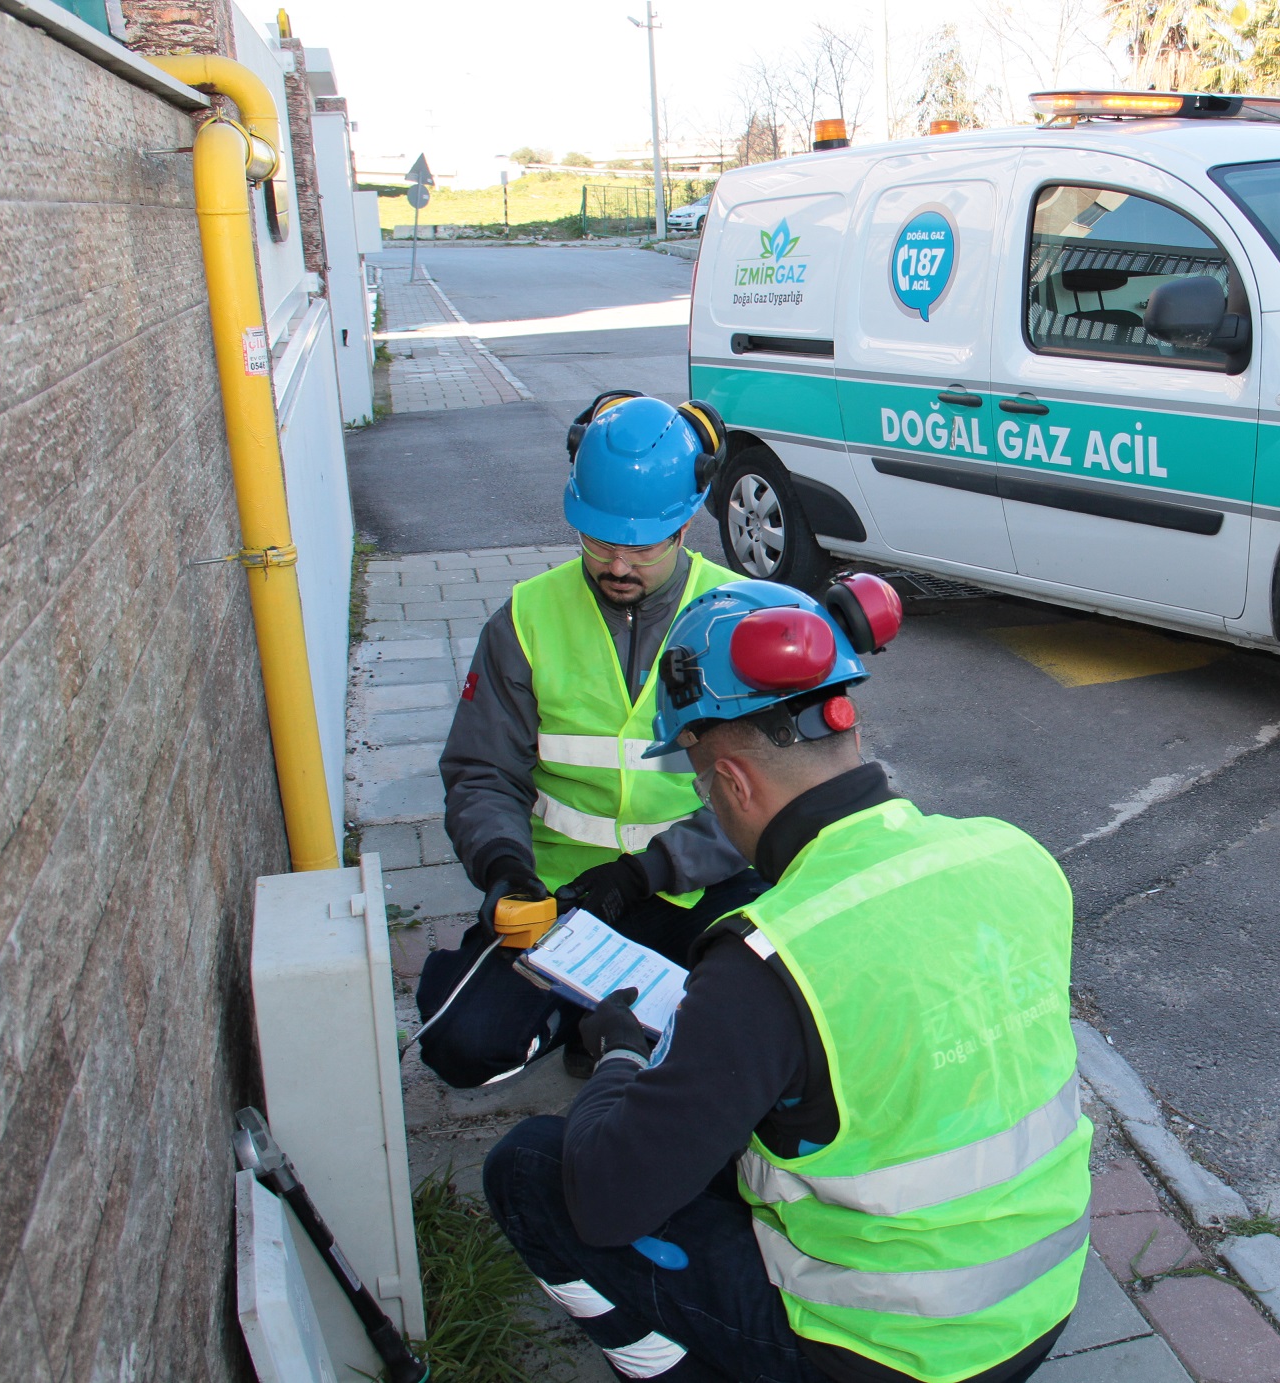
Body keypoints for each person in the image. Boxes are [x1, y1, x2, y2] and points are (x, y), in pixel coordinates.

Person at [482, 577, 1093, 1383]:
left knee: (531, 1169)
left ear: (732, 781)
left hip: (888, 1351)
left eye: (701, 784)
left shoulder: (768, 960)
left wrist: (622, 1059)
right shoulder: (1012, 854)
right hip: (1038, 1302)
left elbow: (606, 1198)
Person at [418, 391, 766, 1087]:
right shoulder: (524, 620)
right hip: (562, 898)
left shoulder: (740, 619)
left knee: (766, 1033)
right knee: (460, 1042)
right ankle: (603, 1021)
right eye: (600, 539)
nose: (618, 564)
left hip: (701, 889)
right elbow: (483, 772)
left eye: (641, 545)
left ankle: (621, 1030)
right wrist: (504, 868)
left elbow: (774, 793)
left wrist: (645, 874)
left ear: (683, 526)